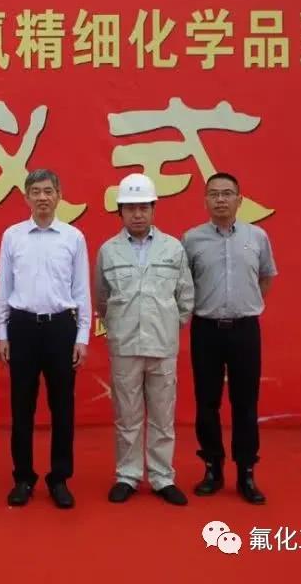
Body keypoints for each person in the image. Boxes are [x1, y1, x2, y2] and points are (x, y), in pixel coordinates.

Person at [94, 173, 194, 506]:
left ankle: (163, 477)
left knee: (163, 417)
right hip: (125, 345)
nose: (137, 214)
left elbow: (185, 297)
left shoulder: (173, 248)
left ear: (153, 209)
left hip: (163, 345)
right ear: (120, 212)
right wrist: (120, 325)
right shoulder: (109, 251)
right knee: (127, 416)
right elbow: (102, 299)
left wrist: (169, 325)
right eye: (130, 208)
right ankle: (128, 475)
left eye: (143, 208)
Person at [0, 168, 91, 509]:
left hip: (60, 328)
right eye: (35, 191)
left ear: (59, 195)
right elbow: (3, 288)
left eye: (48, 191)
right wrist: (2, 334)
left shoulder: (73, 237)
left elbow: (81, 290)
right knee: (22, 407)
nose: (42, 197)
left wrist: (82, 336)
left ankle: (59, 478)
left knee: (62, 407)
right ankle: (23, 478)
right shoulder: (13, 236)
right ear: (26, 197)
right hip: (22, 327)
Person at [182, 172, 277, 504]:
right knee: (207, 402)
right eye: (214, 194)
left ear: (240, 199)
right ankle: (212, 468)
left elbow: (266, 276)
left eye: (227, 193)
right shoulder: (191, 239)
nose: (220, 199)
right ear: (205, 200)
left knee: (245, 402)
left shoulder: (257, 236)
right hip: (206, 329)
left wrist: (247, 304)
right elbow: (184, 283)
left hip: (245, 330)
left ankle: (246, 472)